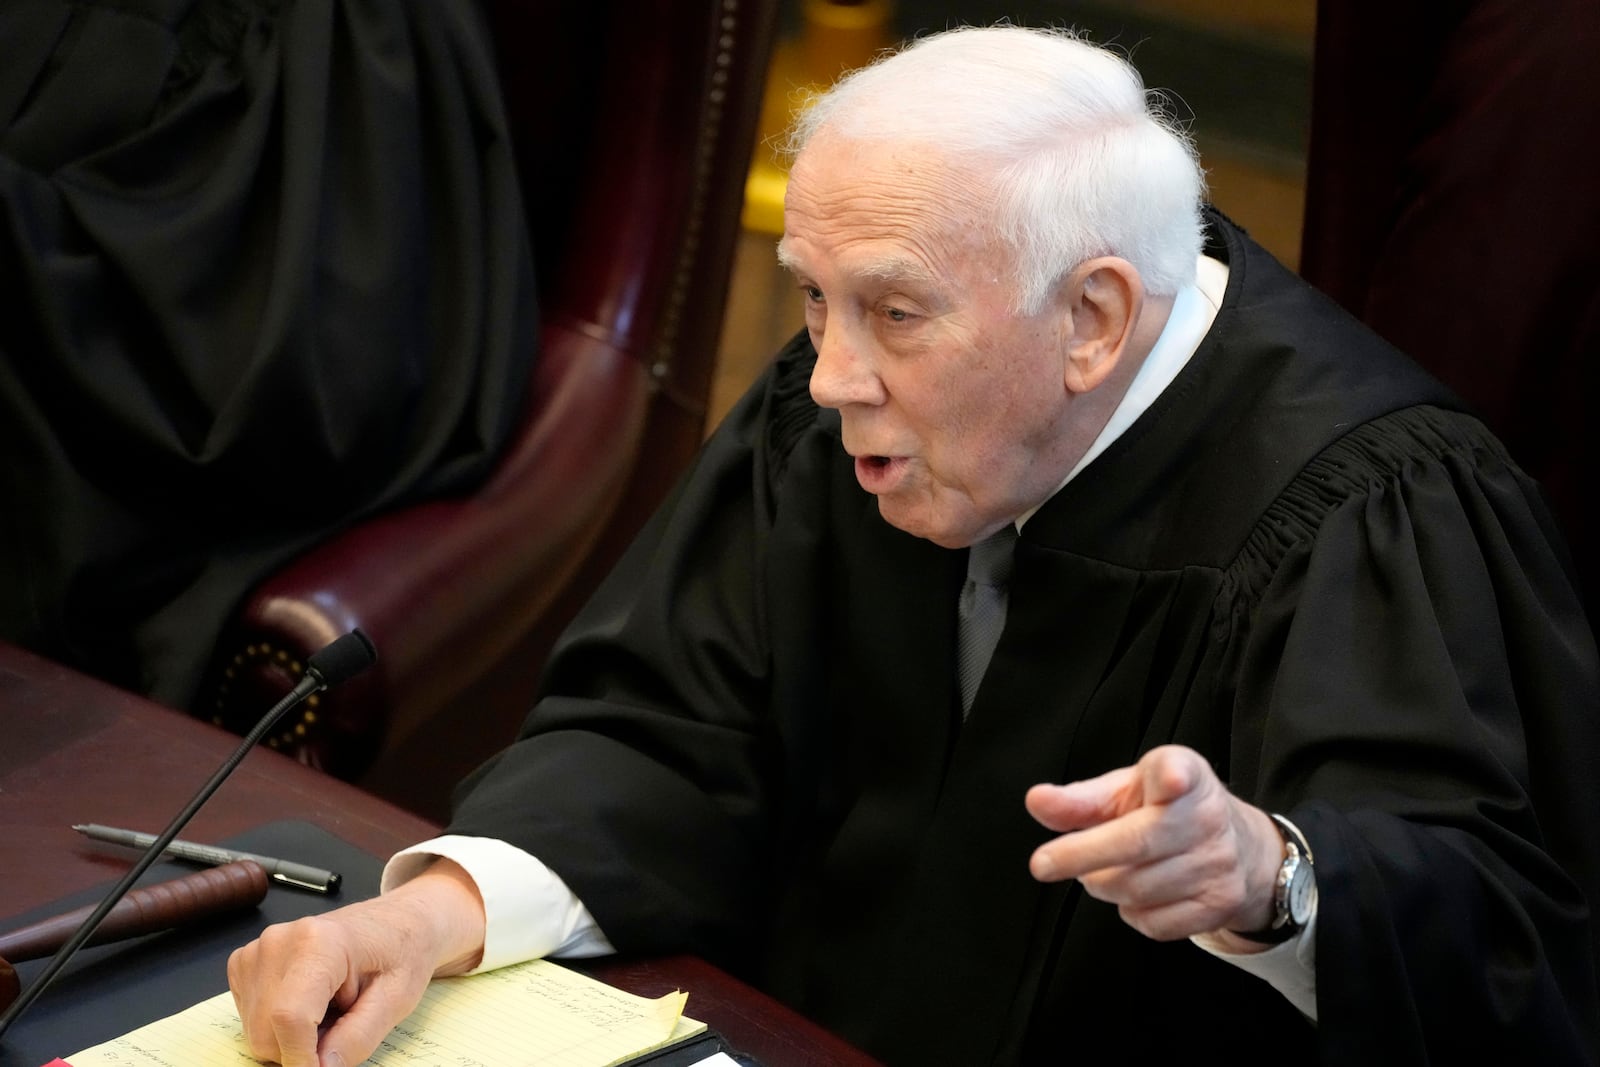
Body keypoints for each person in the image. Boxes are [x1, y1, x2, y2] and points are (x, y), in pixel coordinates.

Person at [226, 25, 1600, 1066]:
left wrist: (1272, 875)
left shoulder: (1371, 505)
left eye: (893, 313)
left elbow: (1501, 938)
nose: (826, 377)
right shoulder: (852, 414)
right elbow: (665, 731)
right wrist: (429, 914)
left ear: (1095, 322)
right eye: (813, 299)